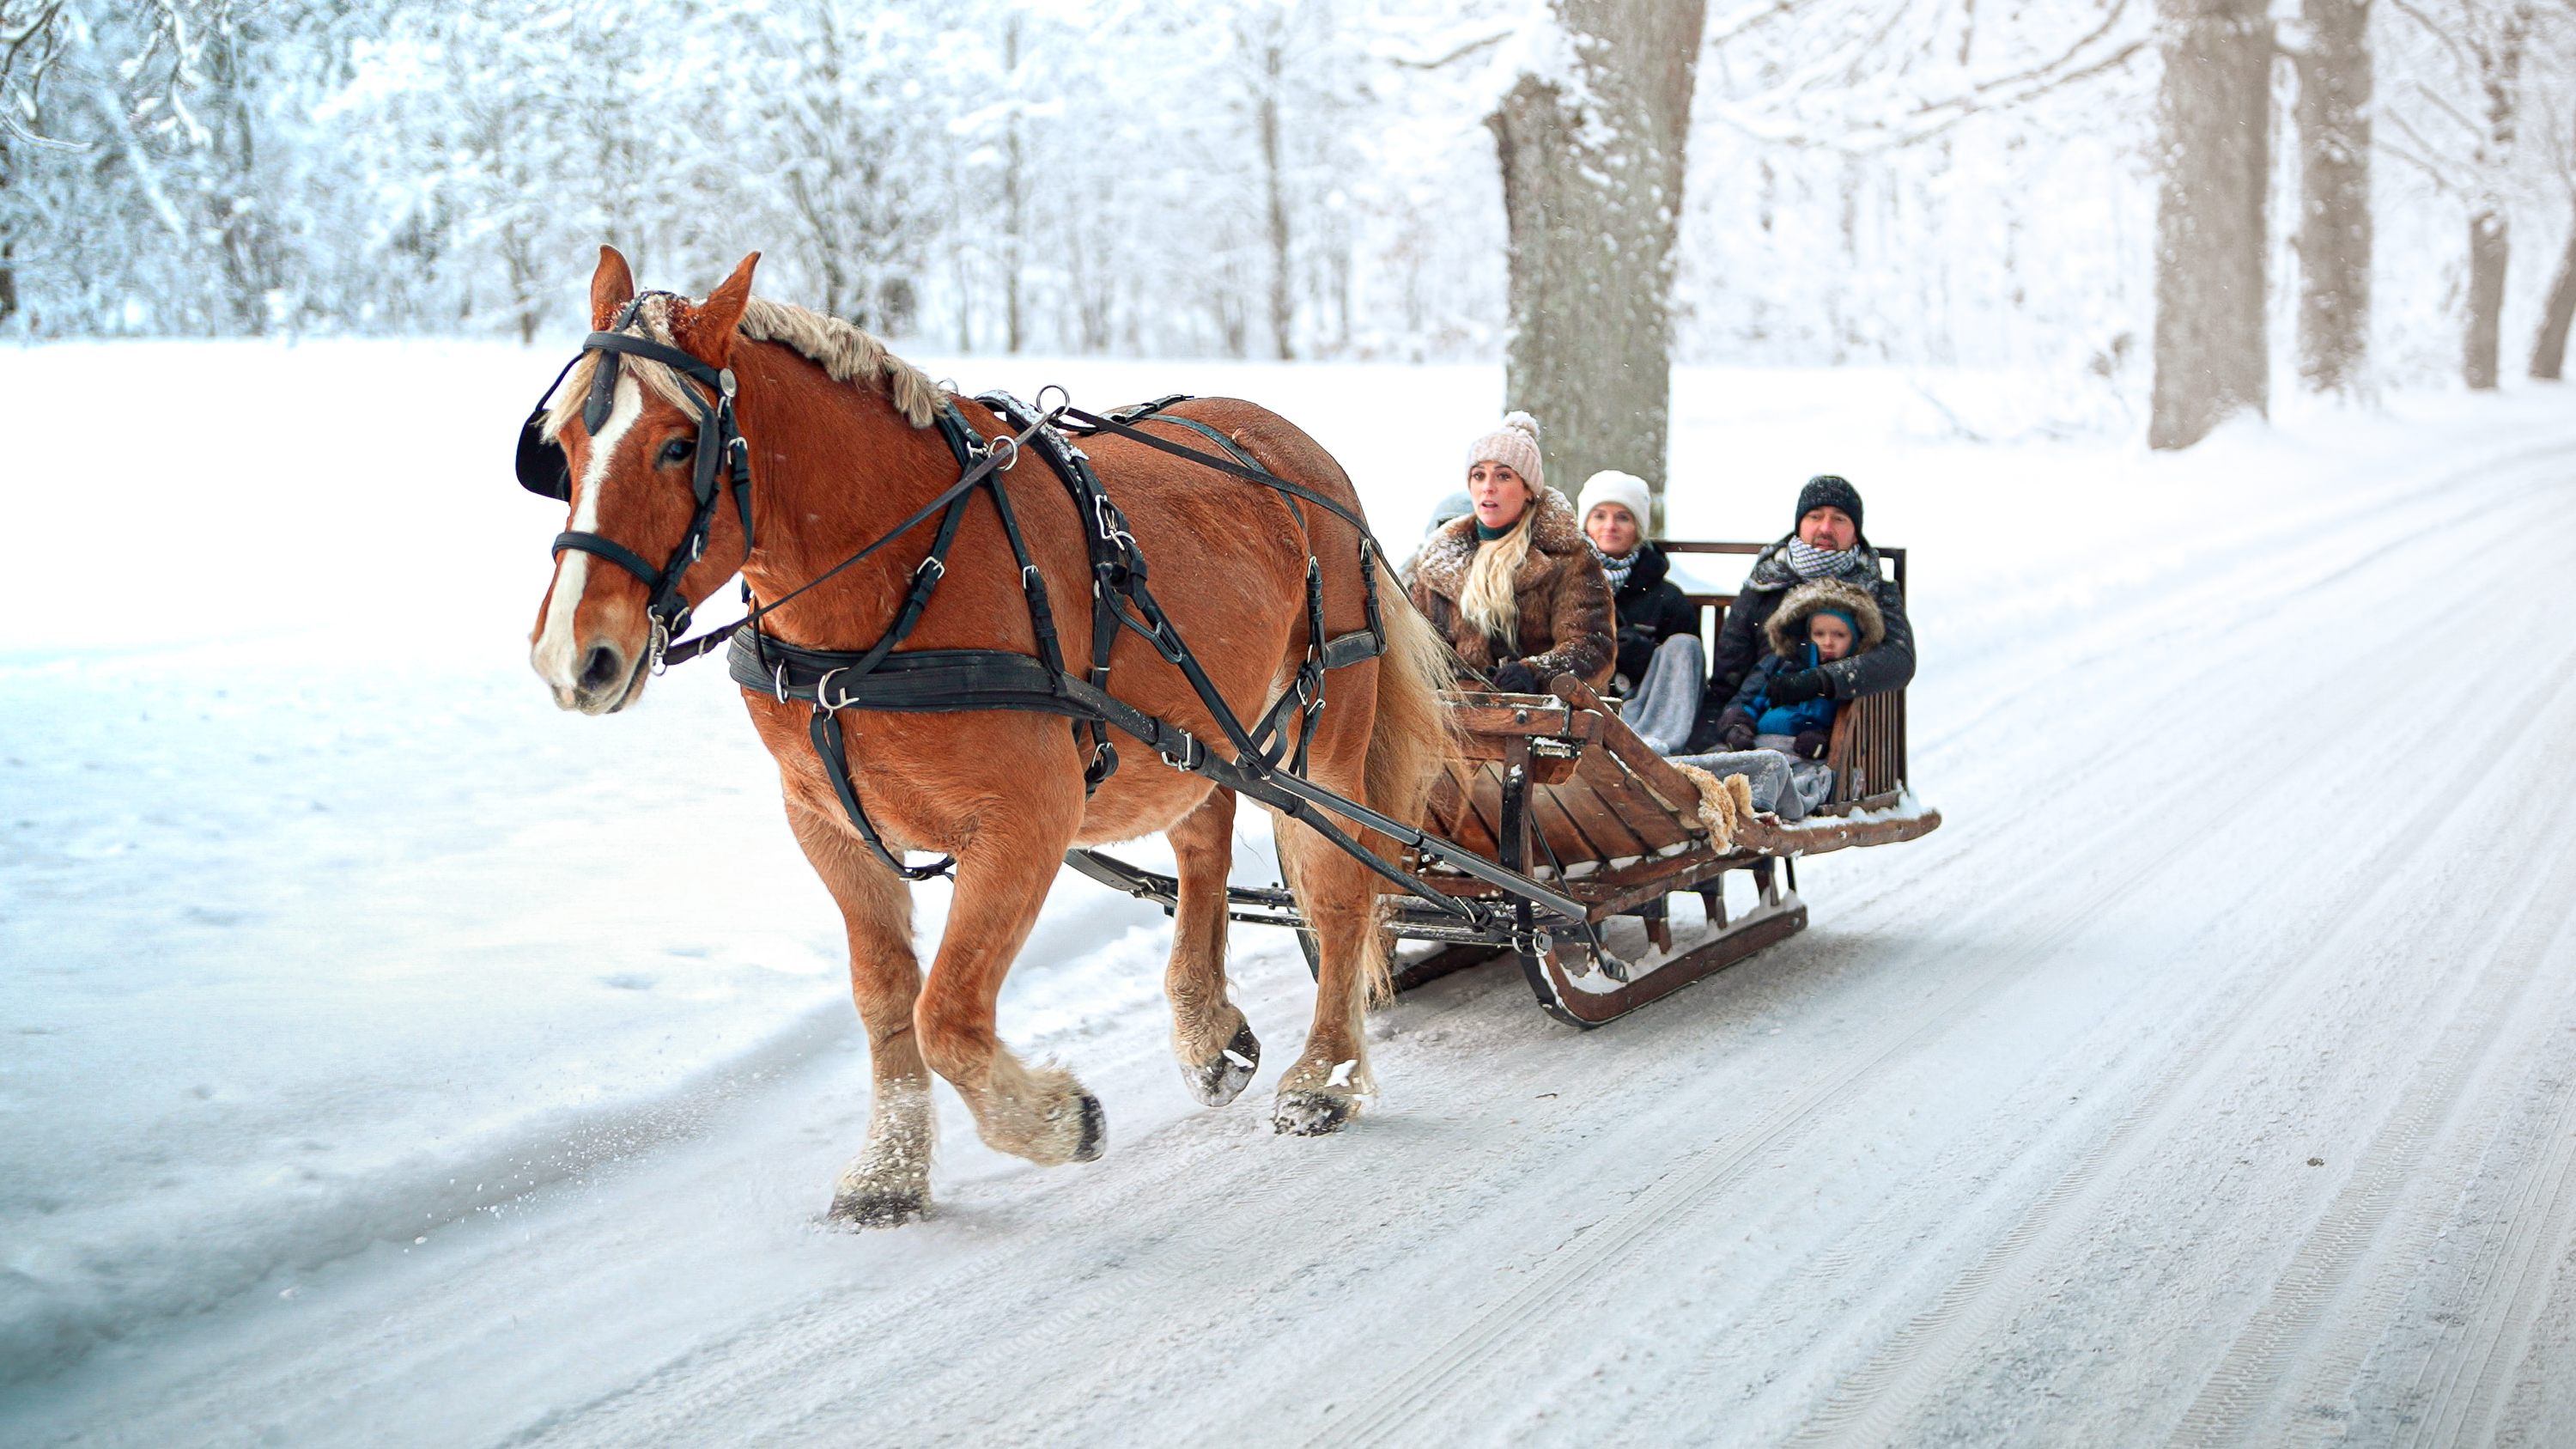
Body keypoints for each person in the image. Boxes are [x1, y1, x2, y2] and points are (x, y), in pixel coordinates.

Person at [1685, 473, 1914, 753]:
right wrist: (1715, 738)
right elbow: (1726, 682)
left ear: (1856, 533)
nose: (1826, 527)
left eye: (1839, 518)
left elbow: (1898, 659)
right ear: (1799, 526)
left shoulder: (1876, 590)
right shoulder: (1765, 585)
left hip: (1836, 742)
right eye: (1815, 516)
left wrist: (1823, 680)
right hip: (1753, 729)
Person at [1406, 412, 1615, 693]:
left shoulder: (1568, 555)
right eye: (1479, 475)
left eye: (1503, 476)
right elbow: (1416, 644)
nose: (1488, 487)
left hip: (1544, 718)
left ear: (1529, 490)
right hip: (1453, 713)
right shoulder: (1438, 559)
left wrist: (1534, 673)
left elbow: (1593, 646)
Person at [1689, 578, 1883, 819]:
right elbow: (1749, 699)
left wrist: (1822, 740)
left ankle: (1758, 810)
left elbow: (1853, 729)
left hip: (1800, 753)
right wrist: (1737, 724)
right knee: (1716, 760)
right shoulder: (1783, 664)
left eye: (1839, 635)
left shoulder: (1846, 679)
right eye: (1819, 634)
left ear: (1854, 639)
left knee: (1792, 777)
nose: (1828, 642)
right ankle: (1700, 800)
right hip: (1758, 743)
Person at [1575, 469, 1701, 753]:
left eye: (1623, 517)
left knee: (1684, 645)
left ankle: (1652, 749)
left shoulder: (1667, 598)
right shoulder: (1566, 586)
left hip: (1647, 716)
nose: (1610, 526)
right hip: (1583, 709)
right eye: (1599, 515)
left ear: (1638, 528)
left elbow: (1684, 678)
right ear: (1585, 525)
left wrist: (1648, 657)